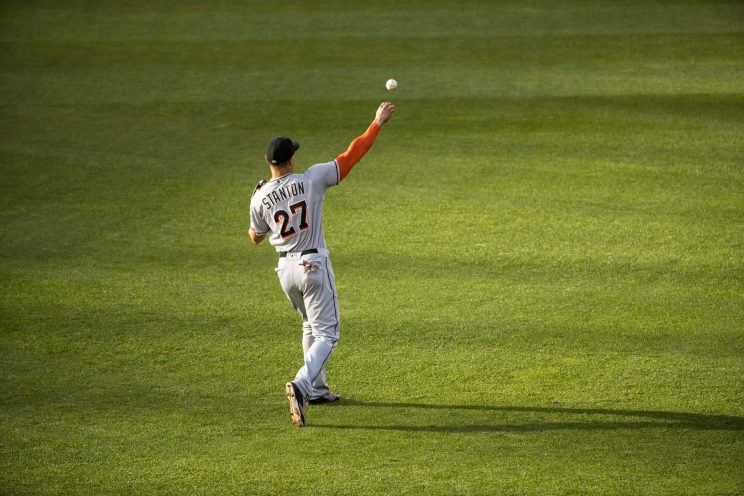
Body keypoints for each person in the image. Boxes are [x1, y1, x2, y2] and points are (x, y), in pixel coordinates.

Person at [249, 101, 396, 427]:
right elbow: (350, 156)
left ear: (267, 162)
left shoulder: (258, 196)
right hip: (313, 265)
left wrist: (262, 200)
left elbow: (255, 237)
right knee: (328, 335)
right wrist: (376, 123)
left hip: (285, 272)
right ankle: (301, 385)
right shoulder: (312, 178)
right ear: (292, 159)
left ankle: (316, 389)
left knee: (308, 327)